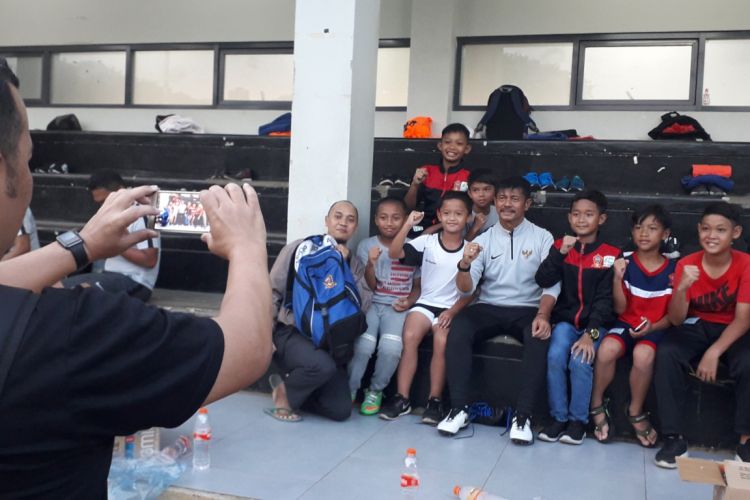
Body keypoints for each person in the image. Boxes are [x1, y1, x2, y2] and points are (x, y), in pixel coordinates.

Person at [0, 60, 273, 497]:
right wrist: (246, 246)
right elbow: (247, 349)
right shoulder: (72, 331)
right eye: (27, 158)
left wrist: (83, 244)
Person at [439, 176, 560, 441]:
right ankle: (458, 409)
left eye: (514, 199)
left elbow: (551, 285)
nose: (507, 204)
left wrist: (543, 314)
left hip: (528, 308)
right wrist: (464, 265)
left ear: (527, 204)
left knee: (539, 336)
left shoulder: (543, 237)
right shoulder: (484, 238)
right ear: (495, 203)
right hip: (489, 305)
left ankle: (523, 416)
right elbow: (467, 290)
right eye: (502, 199)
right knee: (459, 329)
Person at [654, 202, 750, 468]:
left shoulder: (746, 264)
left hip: (734, 328)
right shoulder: (686, 264)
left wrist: (714, 352)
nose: (712, 235)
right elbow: (675, 319)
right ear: (698, 230)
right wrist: (682, 288)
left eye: (721, 230)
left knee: (747, 361)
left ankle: (746, 441)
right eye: (706, 229)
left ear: (736, 233)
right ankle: (673, 439)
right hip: (696, 325)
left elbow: (743, 320)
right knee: (667, 353)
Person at [380, 191, 473, 425]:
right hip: (425, 303)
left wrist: (452, 312)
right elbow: (394, 252)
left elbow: (472, 292)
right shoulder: (428, 241)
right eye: (447, 213)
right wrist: (408, 225)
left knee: (441, 341)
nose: (452, 218)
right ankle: (402, 398)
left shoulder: (472, 248)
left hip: (450, 307)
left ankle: (434, 400)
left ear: (468, 217)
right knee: (410, 335)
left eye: (459, 214)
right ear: (439, 215)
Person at [268, 200, 365, 422]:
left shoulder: (355, 263)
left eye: (350, 220)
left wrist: (344, 266)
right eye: (338, 217)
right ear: (327, 221)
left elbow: (362, 306)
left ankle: (296, 388)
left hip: (328, 341)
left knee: (341, 411)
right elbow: (272, 292)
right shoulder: (298, 249)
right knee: (322, 366)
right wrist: (266, 334)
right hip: (290, 332)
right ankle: (283, 395)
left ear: (356, 228)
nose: (343, 223)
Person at [535, 190, 619, 445]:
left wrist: (589, 334)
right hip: (565, 323)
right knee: (555, 355)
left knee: (580, 361)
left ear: (601, 219)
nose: (581, 220)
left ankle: (577, 422)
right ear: (569, 218)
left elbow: (606, 302)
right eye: (576, 214)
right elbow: (543, 279)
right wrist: (560, 254)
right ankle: (558, 418)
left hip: (596, 327)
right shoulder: (561, 246)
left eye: (589, 214)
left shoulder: (610, 254)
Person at [589, 205, 675, 446]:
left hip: (657, 327)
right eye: (639, 228)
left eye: (652, 228)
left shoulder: (673, 269)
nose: (644, 234)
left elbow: (675, 316)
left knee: (643, 355)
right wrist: (617, 277)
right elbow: (619, 309)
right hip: (626, 322)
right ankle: (596, 403)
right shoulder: (624, 262)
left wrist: (654, 327)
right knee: (606, 350)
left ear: (665, 234)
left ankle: (635, 410)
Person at [348, 197, 420, 415]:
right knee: (363, 346)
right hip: (372, 304)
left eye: (396, 218)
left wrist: (409, 301)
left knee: (391, 349)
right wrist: (370, 264)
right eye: (384, 217)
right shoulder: (366, 246)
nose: (389, 223)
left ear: (405, 220)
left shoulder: (414, 247)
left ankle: (375, 390)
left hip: (396, 308)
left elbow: (418, 286)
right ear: (376, 220)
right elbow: (369, 285)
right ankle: (349, 389)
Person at [58, 170, 161, 301]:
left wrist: (114, 244)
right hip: (108, 275)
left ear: (120, 191)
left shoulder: (142, 212)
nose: (103, 207)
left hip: (134, 281)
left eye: (104, 201)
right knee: (57, 286)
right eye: (99, 203)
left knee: (71, 292)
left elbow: (150, 260)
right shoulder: (111, 213)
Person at [404, 123, 472, 229]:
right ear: (440, 145)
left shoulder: (469, 177)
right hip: (423, 227)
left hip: (453, 228)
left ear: (467, 148)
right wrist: (414, 184)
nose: (452, 147)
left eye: (459, 143)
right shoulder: (427, 171)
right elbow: (407, 208)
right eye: (447, 142)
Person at [464, 168, 498, 241]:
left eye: (486, 189)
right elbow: (460, 248)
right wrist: (475, 228)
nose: (481, 194)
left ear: (495, 191)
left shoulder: (499, 213)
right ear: (469, 193)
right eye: (475, 190)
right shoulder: (463, 214)